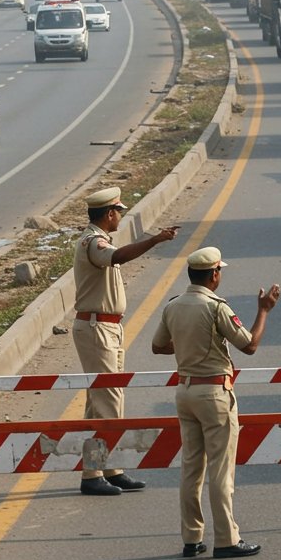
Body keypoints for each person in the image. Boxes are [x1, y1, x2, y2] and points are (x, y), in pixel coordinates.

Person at [152, 247, 279, 559]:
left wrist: (186, 346)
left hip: (185, 392)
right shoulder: (215, 307)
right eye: (219, 270)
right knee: (221, 470)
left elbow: (158, 346)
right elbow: (249, 345)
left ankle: (192, 538)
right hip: (214, 393)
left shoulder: (173, 306)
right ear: (213, 275)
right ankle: (226, 539)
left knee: (191, 469)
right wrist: (264, 310)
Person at [72, 186, 179, 496]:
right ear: (109, 214)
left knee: (101, 403)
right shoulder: (94, 242)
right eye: (118, 211)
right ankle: (97, 474)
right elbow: (116, 257)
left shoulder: (97, 239)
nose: (120, 216)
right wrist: (155, 240)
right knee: (108, 402)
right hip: (96, 329)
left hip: (106, 328)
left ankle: (104, 470)